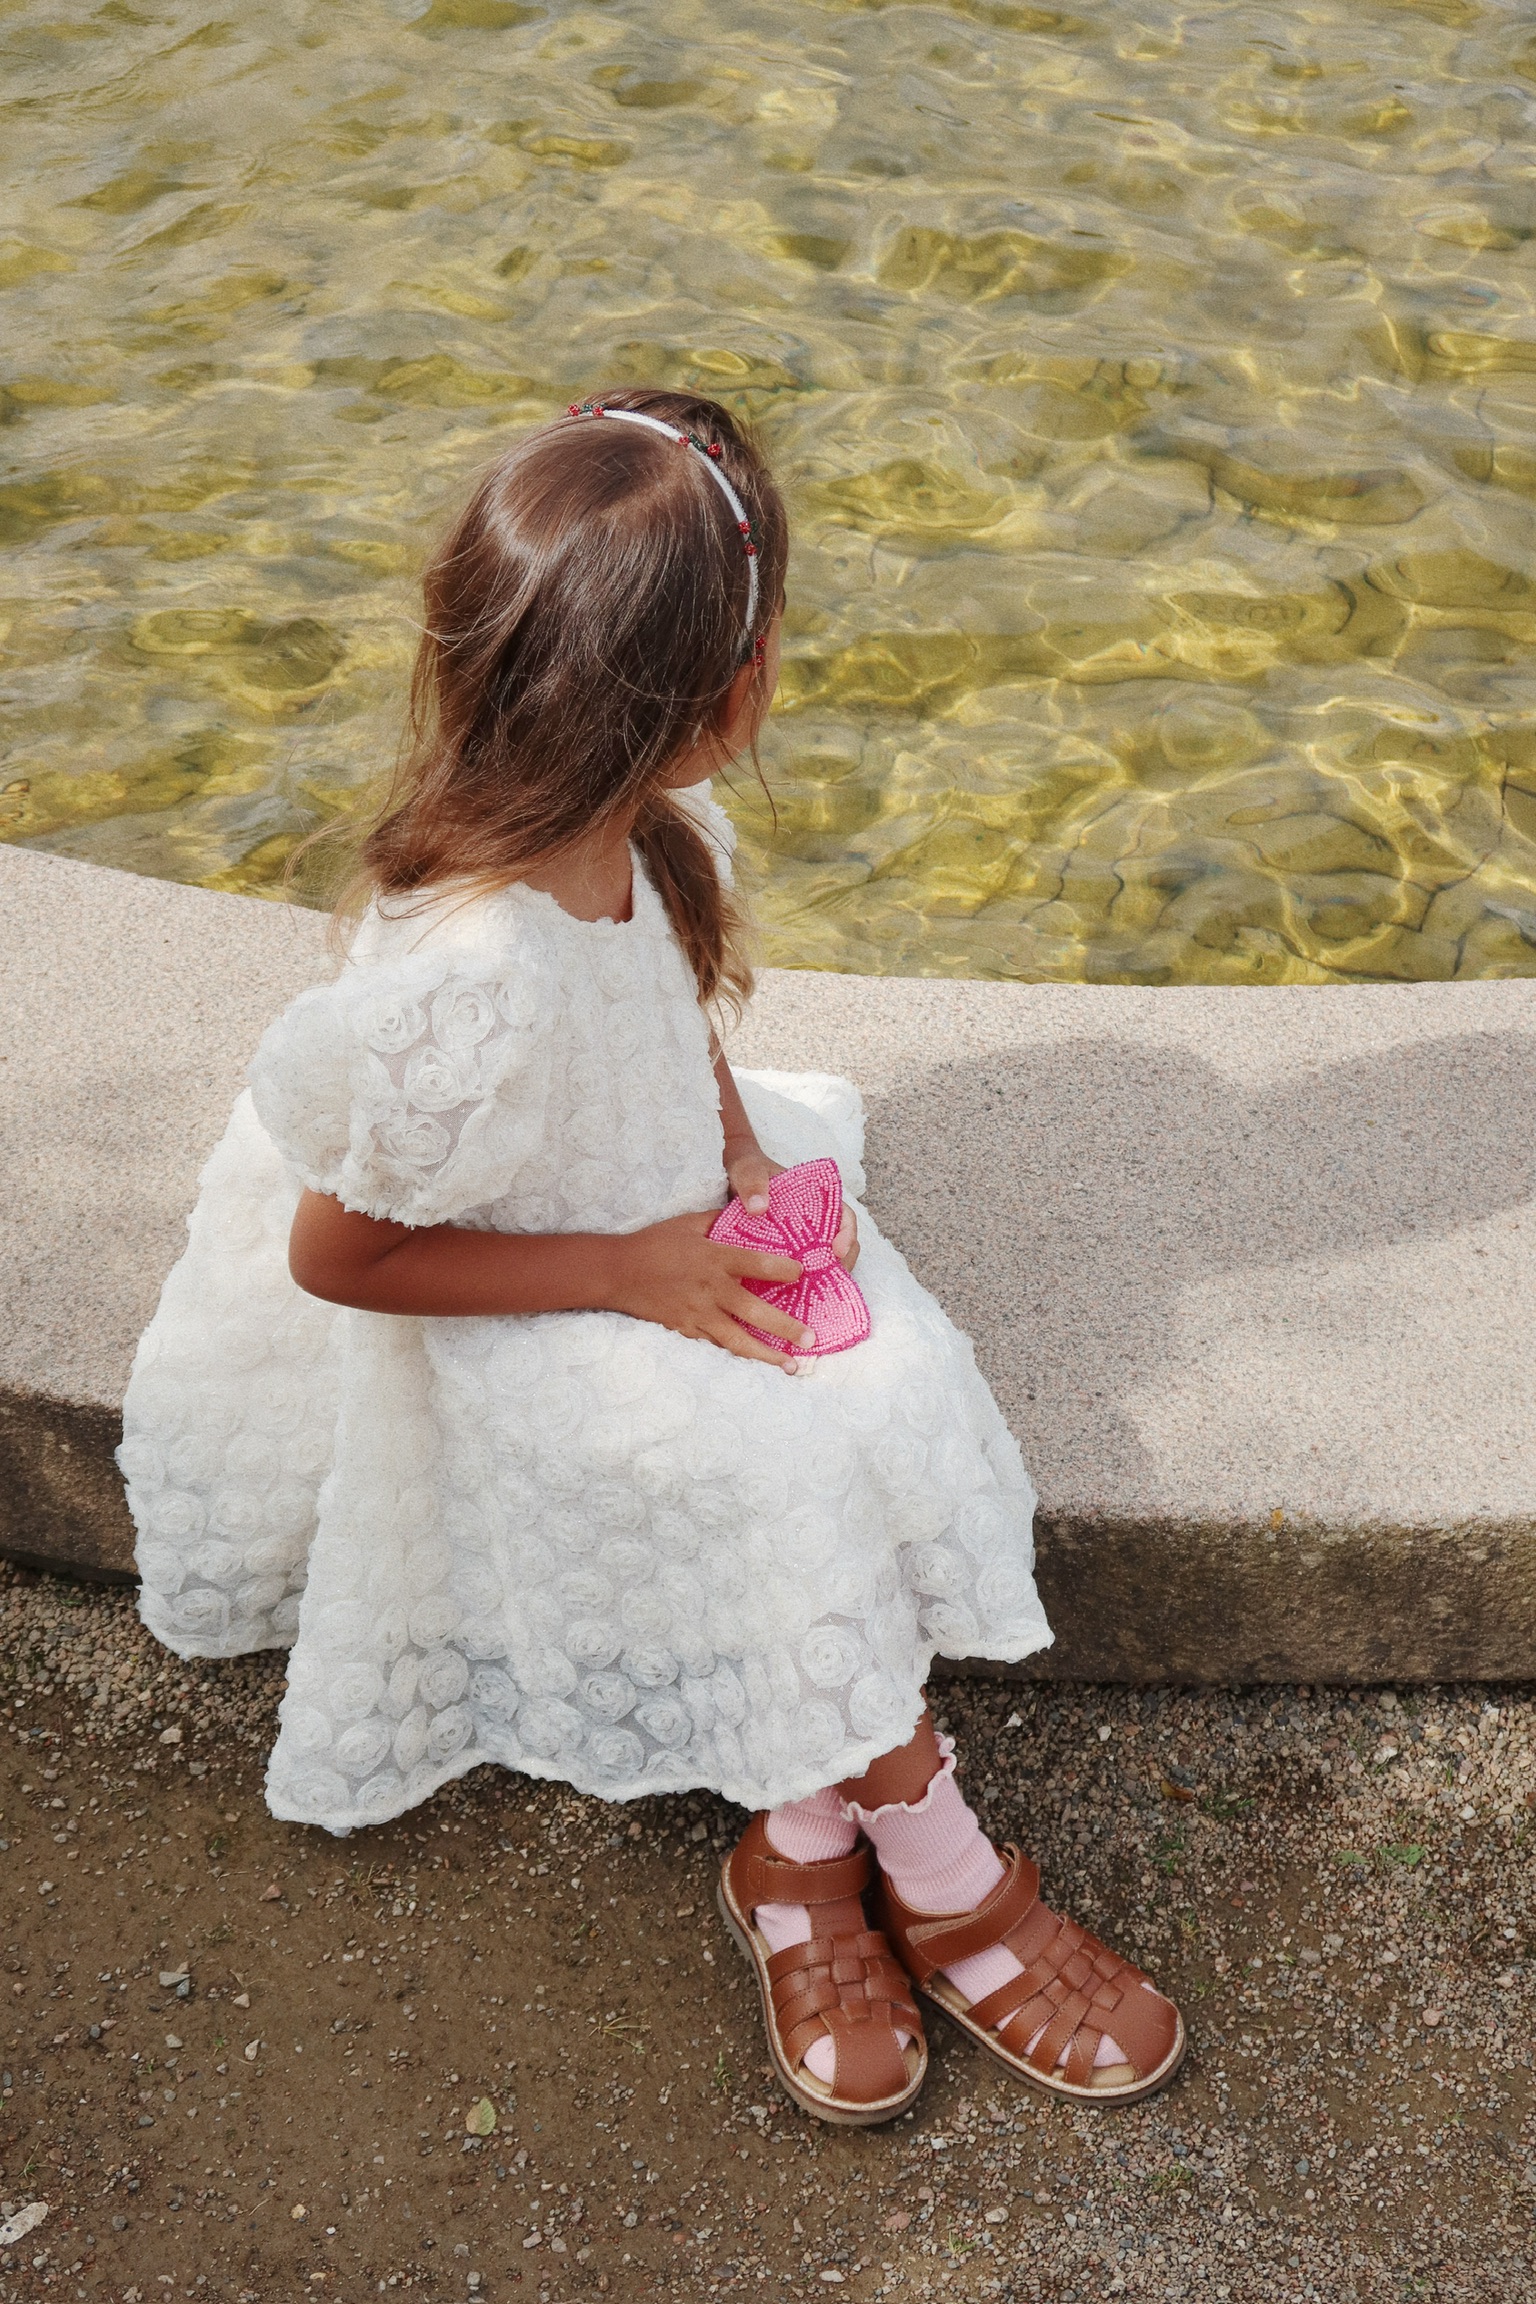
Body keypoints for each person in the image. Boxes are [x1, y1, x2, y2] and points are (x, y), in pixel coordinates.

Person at [119, 388, 1183, 2124]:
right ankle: (940, 1867)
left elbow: (674, 1018)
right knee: (776, 1473)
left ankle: (798, 1835)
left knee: (885, 1376)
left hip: (634, 1213)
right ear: (714, 694)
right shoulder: (472, 983)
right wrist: (632, 1267)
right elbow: (342, 1258)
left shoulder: (633, 833)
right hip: (505, 1291)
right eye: (766, 646)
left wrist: (743, 1153)